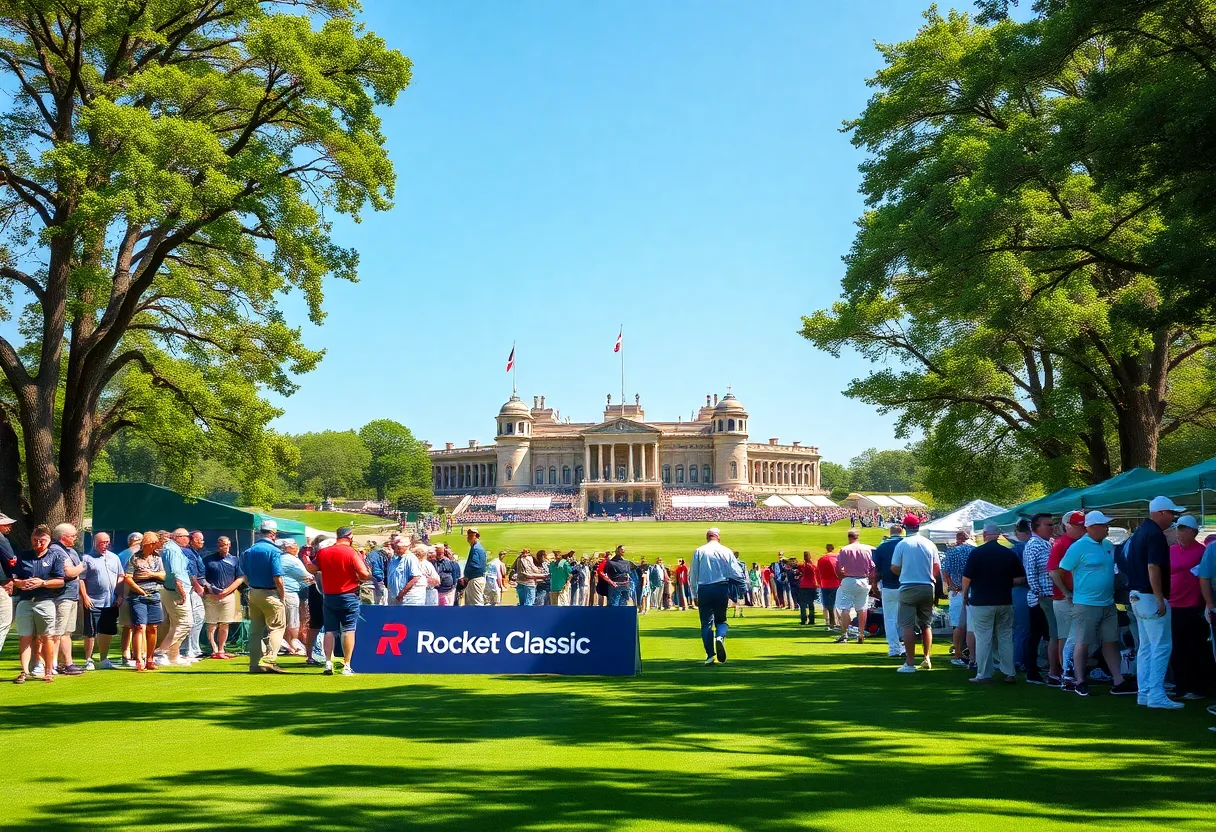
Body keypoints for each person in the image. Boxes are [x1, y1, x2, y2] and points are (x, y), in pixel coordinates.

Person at [1055, 510, 1138, 699]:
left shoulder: (1108, 545)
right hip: (1086, 604)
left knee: (1110, 641)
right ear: (1091, 527)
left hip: (1108, 603)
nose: (1107, 528)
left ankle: (1118, 681)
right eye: (1103, 525)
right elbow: (1061, 569)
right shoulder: (1078, 547)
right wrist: (1067, 593)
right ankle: (1080, 681)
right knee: (1082, 642)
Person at [1119, 496, 1185, 708]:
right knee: (1161, 646)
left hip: (1137, 595)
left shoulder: (1140, 532)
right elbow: (1153, 567)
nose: (1173, 518)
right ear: (1161, 512)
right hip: (1149, 596)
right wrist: (1159, 598)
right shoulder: (1155, 534)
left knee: (1146, 646)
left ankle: (1145, 692)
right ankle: (1155, 693)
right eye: (1171, 513)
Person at [961, 523, 1026, 684]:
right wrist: (1004, 583)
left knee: (984, 638)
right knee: (1005, 638)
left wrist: (965, 595)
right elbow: (1020, 578)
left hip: (981, 601)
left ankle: (984, 674)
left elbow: (967, 578)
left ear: (985, 534)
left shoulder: (977, 553)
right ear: (999, 535)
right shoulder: (1009, 554)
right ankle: (1009, 673)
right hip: (1004, 600)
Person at [4, 524, 64, 683]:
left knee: (47, 637)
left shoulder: (54, 557)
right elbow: (14, 578)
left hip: (45, 601)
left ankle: (48, 671)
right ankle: (24, 671)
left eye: (42, 540)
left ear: (49, 540)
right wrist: (21, 583)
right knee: (25, 636)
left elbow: (60, 581)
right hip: (25, 601)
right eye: (35, 540)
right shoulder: (23, 556)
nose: (38, 543)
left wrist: (42, 583)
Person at [309, 526, 370, 676]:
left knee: (329, 630)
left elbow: (311, 569)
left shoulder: (324, 552)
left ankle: (328, 662)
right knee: (349, 629)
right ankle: (347, 665)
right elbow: (364, 573)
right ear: (350, 537)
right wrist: (363, 576)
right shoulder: (352, 552)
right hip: (349, 595)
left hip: (329, 595)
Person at [232, 520, 287, 674]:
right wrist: (282, 596)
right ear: (273, 534)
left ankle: (254, 664)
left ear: (259, 533)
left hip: (253, 592)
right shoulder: (273, 551)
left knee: (255, 631)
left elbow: (244, 575)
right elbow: (278, 578)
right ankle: (269, 660)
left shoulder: (248, 551)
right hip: (270, 593)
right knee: (277, 627)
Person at [1169, 515, 1212, 700]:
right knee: (1177, 647)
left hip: (1194, 605)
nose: (1179, 533)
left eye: (1183, 529)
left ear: (1192, 532)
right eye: (1177, 529)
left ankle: (1198, 687)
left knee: (1196, 647)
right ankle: (1181, 685)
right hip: (1174, 605)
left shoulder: (1202, 551)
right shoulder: (1171, 550)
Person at [891, 514, 940, 673]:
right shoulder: (930, 544)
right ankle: (927, 658)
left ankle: (910, 662)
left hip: (908, 586)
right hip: (927, 586)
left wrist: (905, 571)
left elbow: (894, 567)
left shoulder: (902, 544)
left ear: (905, 528)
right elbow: (936, 567)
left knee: (908, 625)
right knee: (926, 624)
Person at [690, 528, 746, 664]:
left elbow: (693, 575)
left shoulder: (699, 551)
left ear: (707, 537)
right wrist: (742, 587)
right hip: (721, 587)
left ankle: (710, 655)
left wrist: (694, 594)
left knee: (706, 623)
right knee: (721, 620)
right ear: (718, 537)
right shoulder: (726, 551)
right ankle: (720, 637)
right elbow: (736, 572)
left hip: (704, 589)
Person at [1022, 514, 1062, 686]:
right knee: (1040, 634)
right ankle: (1032, 671)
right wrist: (1040, 594)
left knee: (1045, 634)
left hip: (1048, 596)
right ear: (1035, 527)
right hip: (1041, 598)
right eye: (1048, 525)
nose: (1051, 528)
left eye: (1052, 524)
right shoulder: (1034, 545)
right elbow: (1031, 573)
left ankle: (1042, 669)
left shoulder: (1046, 543)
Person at [1048, 511, 1086, 688]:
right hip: (1065, 598)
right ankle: (1066, 674)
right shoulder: (1061, 543)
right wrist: (1065, 592)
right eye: (1079, 526)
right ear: (1067, 526)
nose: (1083, 529)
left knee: (1076, 636)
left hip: (1078, 597)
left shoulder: (1080, 542)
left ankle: (1072, 672)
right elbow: (1053, 571)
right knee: (1065, 636)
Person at [46, 522, 85, 676]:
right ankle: (52, 664)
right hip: (61, 596)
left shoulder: (71, 551)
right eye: (73, 535)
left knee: (67, 632)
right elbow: (69, 573)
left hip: (71, 596)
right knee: (57, 632)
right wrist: (84, 565)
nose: (76, 538)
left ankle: (68, 663)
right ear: (64, 537)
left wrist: (78, 569)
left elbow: (76, 573)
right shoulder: (56, 550)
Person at [80, 532, 123, 670]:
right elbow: (81, 579)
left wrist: (120, 595)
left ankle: (104, 658)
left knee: (107, 631)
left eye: (107, 542)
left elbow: (121, 576)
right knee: (91, 632)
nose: (105, 545)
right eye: (102, 543)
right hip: (93, 601)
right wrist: (85, 597)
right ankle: (88, 659)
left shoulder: (114, 558)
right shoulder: (87, 559)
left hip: (111, 601)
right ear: (95, 543)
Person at [123, 531, 165, 672]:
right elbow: (128, 577)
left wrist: (152, 574)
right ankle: (139, 659)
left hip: (154, 595)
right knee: (139, 626)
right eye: (152, 544)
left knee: (153, 627)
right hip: (138, 596)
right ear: (146, 544)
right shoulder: (134, 558)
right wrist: (139, 589)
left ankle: (150, 659)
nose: (154, 546)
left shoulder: (157, 558)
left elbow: (163, 575)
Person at [155, 528, 194, 667]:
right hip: (175, 591)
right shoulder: (173, 550)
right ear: (177, 537)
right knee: (185, 623)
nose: (188, 539)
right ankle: (160, 652)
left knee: (177, 625)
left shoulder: (172, 548)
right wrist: (182, 594)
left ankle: (173, 656)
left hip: (173, 590)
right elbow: (176, 575)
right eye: (186, 536)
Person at [201, 537, 243, 659]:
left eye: (225, 545)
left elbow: (240, 578)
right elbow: (201, 577)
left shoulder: (235, 560)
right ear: (217, 546)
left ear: (229, 545)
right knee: (211, 623)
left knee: (225, 623)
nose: (223, 547)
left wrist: (227, 591)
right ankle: (214, 649)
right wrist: (210, 589)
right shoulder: (208, 560)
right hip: (211, 596)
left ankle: (221, 649)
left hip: (228, 596)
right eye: (220, 545)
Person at [835, 529, 875, 644]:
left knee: (845, 607)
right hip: (863, 580)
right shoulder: (867, 549)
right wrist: (870, 581)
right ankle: (861, 634)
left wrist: (841, 578)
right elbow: (873, 567)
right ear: (858, 537)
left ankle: (844, 634)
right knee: (862, 608)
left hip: (849, 579)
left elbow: (838, 568)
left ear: (849, 537)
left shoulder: (845, 550)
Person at [942, 530, 975, 667]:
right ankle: (973, 654)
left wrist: (951, 585)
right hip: (973, 590)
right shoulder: (974, 550)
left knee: (957, 625)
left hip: (957, 591)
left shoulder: (951, 552)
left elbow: (945, 572)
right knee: (973, 625)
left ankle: (958, 654)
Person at [871, 524, 905, 658]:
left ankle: (894, 648)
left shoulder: (881, 547)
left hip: (888, 585)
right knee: (905, 617)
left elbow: (877, 569)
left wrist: (874, 585)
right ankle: (905, 646)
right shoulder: (906, 544)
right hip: (906, 584)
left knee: (890, 618)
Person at [279, 538, 313, 655]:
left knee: (281, 620)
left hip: (278, 593)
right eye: (294, 545)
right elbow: (307, 576)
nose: (296, 547)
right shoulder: (293, 560)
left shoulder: (278, 558)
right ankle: (294, 643)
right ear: (288, 548)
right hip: (290, 593)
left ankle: (285, 643)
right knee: (293, 620)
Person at [183, 531, 209, 660]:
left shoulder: (194, 553)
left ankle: (192, 648)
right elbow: (192, 573)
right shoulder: (189, 553)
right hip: (192, 589)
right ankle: (191, 649)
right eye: (200, 540)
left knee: (196, 618)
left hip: (194, 587)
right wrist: (198, 587)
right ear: (192, 540)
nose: (202, 542)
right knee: (196, 617)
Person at [385, 537, 423, 606]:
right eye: (397, 547)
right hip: (393, 597)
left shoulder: (410, 558)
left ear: (407, 547)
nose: (397, 549)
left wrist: (402, 593)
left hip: (405, 598)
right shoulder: (395, 559)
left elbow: (415, 577)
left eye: (400, 548)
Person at [0, 510, 14, 657]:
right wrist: (12, 578)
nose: (9, 527)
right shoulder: (1, 539)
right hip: (1, 585)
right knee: (3, 622)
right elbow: (12, 561)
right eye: (6, 524)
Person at [817, 545, 841, 630]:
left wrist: (819, 583)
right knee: (838, 603)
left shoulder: (822, 559)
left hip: (825, 583)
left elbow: (818, 572)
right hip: (836, 583)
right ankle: (839, 621)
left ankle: (832, 622)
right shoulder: (837, 558)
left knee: (829, 605)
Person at [463, 527, 488, 606]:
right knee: (472, 603)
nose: (468, 538)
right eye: (468, 536)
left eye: (471, 536)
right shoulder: (477, 547)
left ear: (476, 536)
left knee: (476, 604)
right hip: (478, 578)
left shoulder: (476, 548)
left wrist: (466, 575)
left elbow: (475, 565)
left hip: (475, 579)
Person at [796, 552, 819, 625]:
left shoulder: (804, 565)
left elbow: (798, 567)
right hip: (812, 585)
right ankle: (812, 619)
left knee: (802, 604)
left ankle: (803, 619)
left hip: (804, 586)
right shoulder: (813, 566)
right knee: (811, 603)